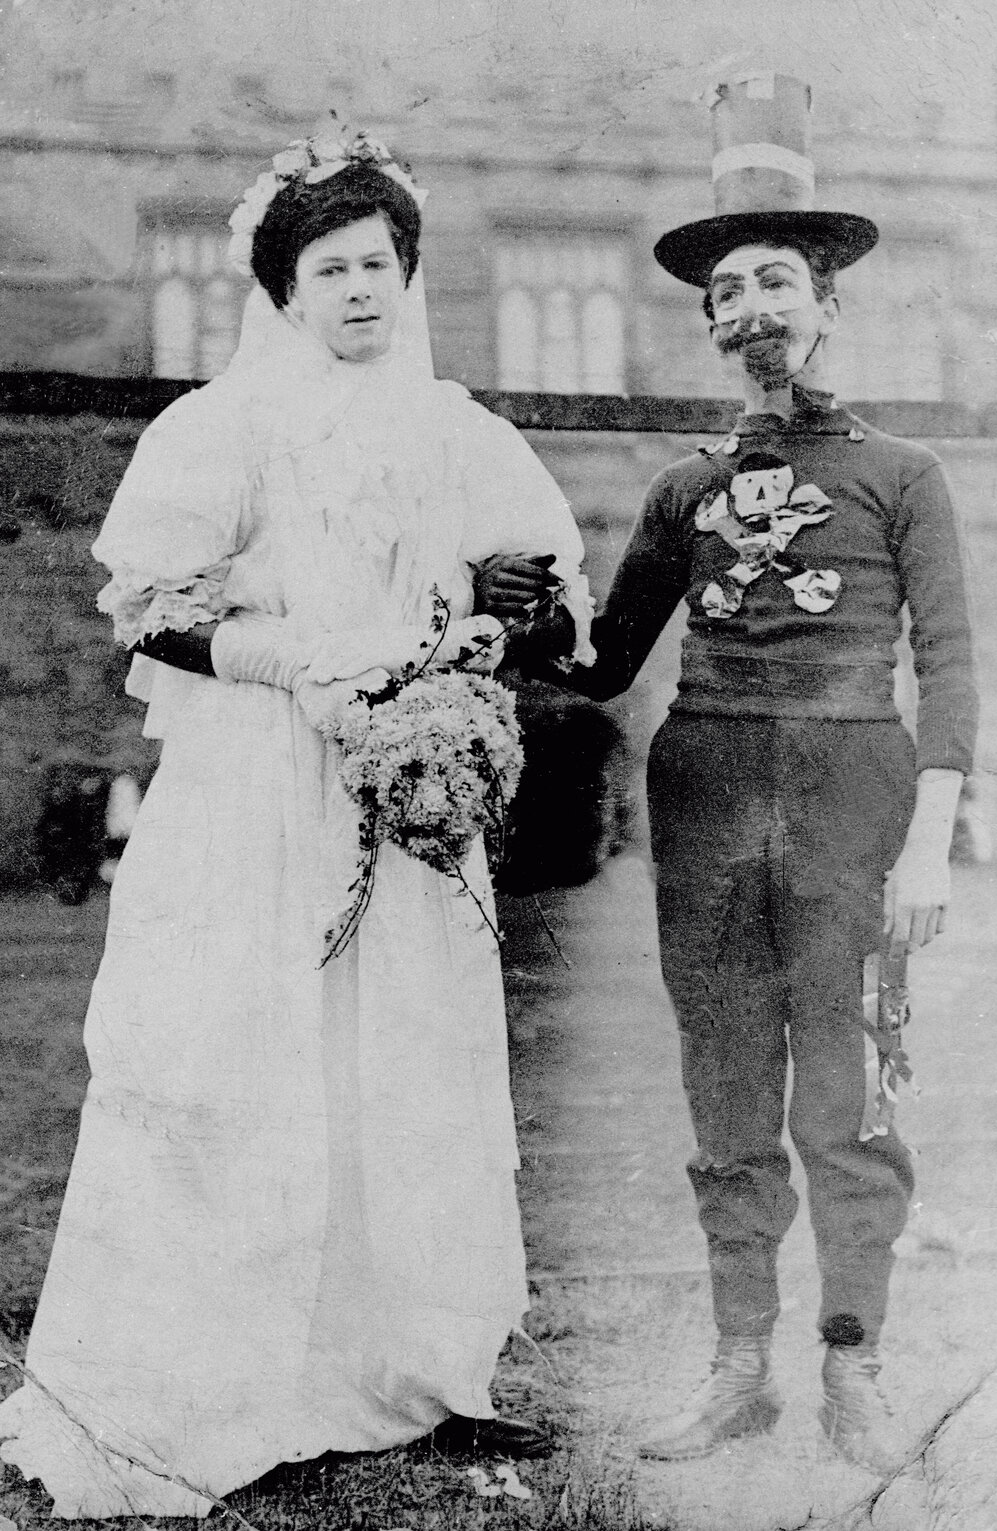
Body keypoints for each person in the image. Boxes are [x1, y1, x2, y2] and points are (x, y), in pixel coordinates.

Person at [0, 126, 593, 1517]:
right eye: (329, 270)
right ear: (287, 292)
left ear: (408, 273)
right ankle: (223, 1381)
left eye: (379, 264)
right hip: (256, 788)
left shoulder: (463, 435)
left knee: (408, 1059)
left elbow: (542, 605)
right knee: (245, 1055)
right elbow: (156, 613)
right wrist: (295, 670)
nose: (361, 291)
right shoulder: (221, 430)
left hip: (404, 796)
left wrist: (507, 626)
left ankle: (412, 1370)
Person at [505, 74, 978, 1474]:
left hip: (855, 785)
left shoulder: (906, 473)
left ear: (830, 300)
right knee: (724, 1092)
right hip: (706, 785)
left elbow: (950, 668)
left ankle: (859, 1370)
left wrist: (926, 843)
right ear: (709, 325)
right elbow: (601, 666)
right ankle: (733, 1371)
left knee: (850, 1092)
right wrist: (528, 618)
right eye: (725, 291)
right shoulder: (680, 485)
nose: (751, 307)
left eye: (775, 279)